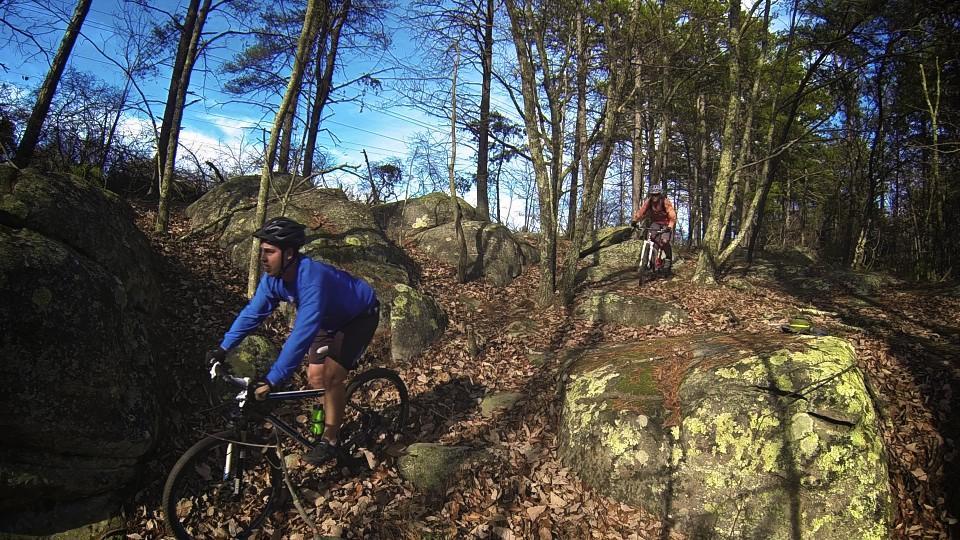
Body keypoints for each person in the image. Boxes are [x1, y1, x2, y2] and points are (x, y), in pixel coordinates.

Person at [205, 216, 380, 465]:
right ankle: (329, 418)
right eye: (262, 251)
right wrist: (223, 348)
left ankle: (331, 441)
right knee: (316, 378)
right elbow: (253, 314)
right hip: (328, 320)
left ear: (288, 254)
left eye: (269, 252)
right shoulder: (273, 279)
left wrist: (272, 379)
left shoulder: (312, 279)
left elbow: (301, 334)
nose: (263, 258)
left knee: (331, 376)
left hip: (359, 316)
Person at [630, 185, 678, 271]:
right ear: (650, 195)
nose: (654, 197)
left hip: (666, 223)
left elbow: (672, 215)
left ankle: (668, 258)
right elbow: (641, 212)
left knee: (664, 241)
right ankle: (651, 262)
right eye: (653, 195)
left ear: (660, 195)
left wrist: (670, 227)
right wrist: (635, 221)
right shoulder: (648, 202)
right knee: (652, 240)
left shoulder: (665, 202)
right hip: (655, 223)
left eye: (656, 195)